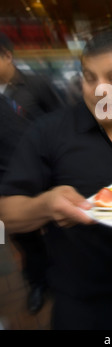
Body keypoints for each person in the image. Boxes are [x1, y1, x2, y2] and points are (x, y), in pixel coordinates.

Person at [0, 30, 112, 330]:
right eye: (90, 77)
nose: (99, 90)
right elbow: (7, 212)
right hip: (83, 307)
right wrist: (45, 205)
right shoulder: (48, 133)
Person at [0, 33, 64, 314]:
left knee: (59, 230)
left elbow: (63, 123)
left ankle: (66, 279)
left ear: (7, 55)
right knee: (26, 240)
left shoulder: (37, 84)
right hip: (8, 183)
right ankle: (38, 282)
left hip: (47, 175)